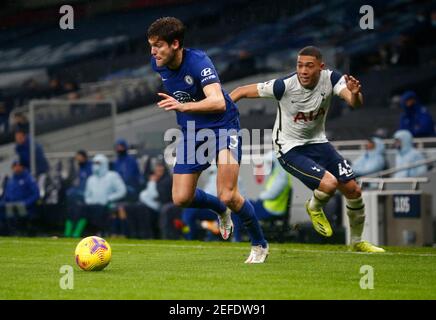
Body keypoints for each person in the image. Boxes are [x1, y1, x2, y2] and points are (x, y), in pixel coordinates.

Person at [230, 46, 384, 252]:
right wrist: (220, 113)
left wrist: (355, 94)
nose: (303, 71)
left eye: (309, 66)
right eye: (300, 65)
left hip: (318, 142)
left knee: (354, 190)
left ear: (321, 67)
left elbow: (354, 102)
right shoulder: (283, 86)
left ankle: (357, 242)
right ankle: (314, 207)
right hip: (289, 148)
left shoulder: (330, 79)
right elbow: (240, 91)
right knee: (329, 184)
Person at [147, 17, 268, 263]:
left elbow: (218, 101)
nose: (153, 51)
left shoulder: (199, 61)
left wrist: (183, 106)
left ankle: (259, 244)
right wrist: (184, 110)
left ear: (175, 44)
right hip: (192, 131)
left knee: (228, 194)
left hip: (222, 126)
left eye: (158, 45)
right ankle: (219, 210)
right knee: (181, 198)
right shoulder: (158, 64)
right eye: (151, 45)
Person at [64, 154, 126, 238]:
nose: (95, 165)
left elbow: (122, 191)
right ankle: (73, 233)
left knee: (101, 211)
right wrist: (90, 201)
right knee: (75, 209)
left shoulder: (112, 176)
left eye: (98, 163)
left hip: (107, 205)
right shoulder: (91, 179)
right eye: (94, 163)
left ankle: (104, 232)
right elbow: (87, 195)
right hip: (92, 206)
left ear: (104, 163)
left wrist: (109, 198)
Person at [0, 159, 40, 235]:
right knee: (8, 210)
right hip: (11, 205)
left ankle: (22, 231)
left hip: (25, 206)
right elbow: (7, 195)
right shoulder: (11, 180)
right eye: (15, 166)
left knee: (19, 210)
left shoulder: (29, 179)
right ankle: (11, 232)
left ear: (23, 167)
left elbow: (36, 194)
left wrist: (26, 203)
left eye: (19, 166)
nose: (17, 168)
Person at [64, 150, 93, 237]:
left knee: (81, 211)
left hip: (86, 196)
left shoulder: (89, 168)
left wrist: (82, 192)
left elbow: (88, 183)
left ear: (84, 157)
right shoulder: (79, 168)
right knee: (70, 209)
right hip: (78, 195)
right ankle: (68, 232)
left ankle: (77, 232)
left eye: (79, 157)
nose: (78, 159)